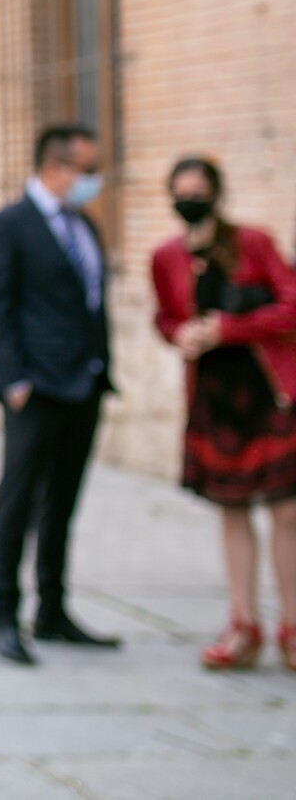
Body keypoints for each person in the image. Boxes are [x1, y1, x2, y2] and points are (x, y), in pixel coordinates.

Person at [0, 124, 119, 665]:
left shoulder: (85, 227)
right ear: (55, 168)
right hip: (35, 389)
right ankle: (5, 613)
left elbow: (90, 301)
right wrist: (14, 379)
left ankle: (53, 609)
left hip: (86, 383)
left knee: (63, 502)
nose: (93, 181)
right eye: (87, 170)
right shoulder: (7, 225)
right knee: (18, 500)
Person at [151, 156, 296, 671]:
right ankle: (243, 623)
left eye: (198, 189)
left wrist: (228, 329)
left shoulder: (254, 243)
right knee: (233, 510)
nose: (190, 197)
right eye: (180, 190)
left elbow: (291, 303)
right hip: (214, 398)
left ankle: (292, 626)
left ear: (217, 192)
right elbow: (165, 317)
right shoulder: (165, 256)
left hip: (267, 391)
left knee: (287, 512)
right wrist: (180, 335)